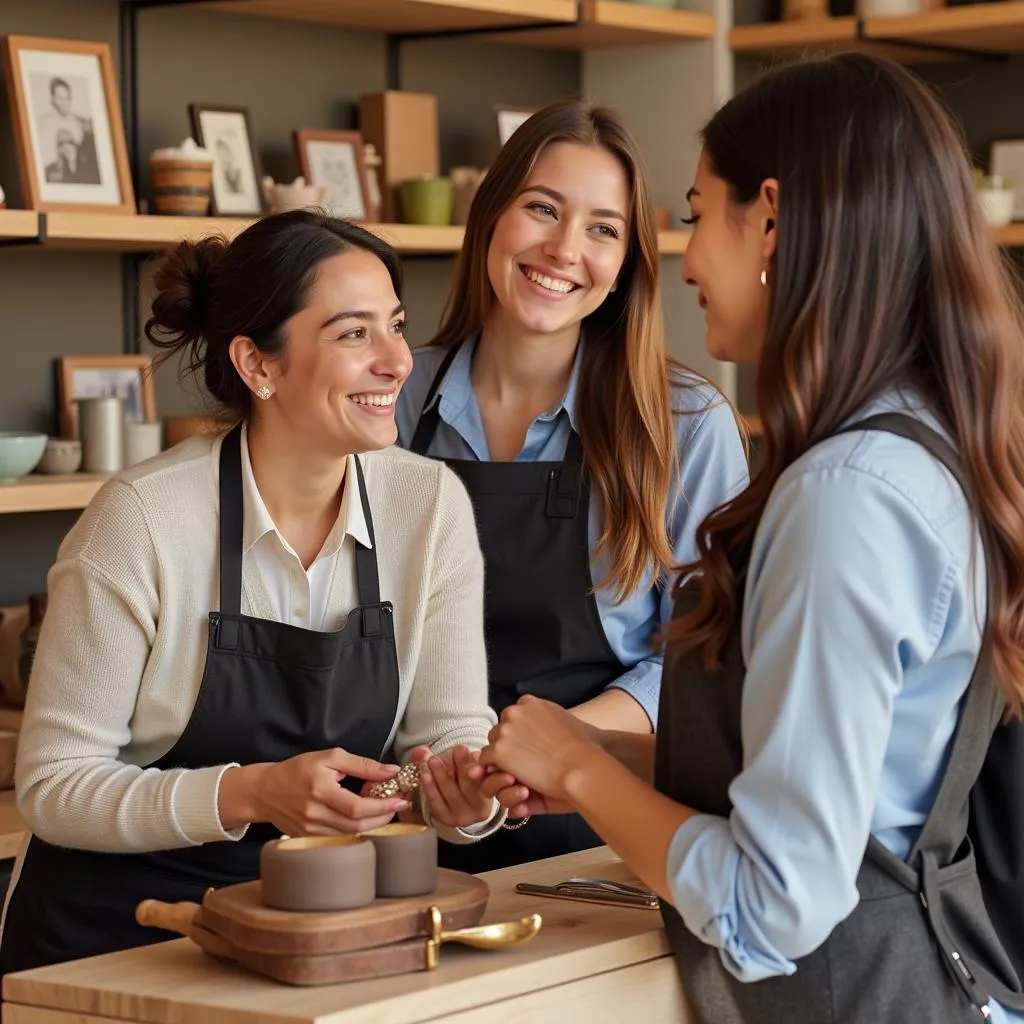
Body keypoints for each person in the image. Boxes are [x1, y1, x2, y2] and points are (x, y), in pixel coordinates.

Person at [478, 54, 1024, 1023]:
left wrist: (579, 766)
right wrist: (605, 780)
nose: (682, 259)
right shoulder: (922, 452)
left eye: (695, 213)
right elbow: (837, 783)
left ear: (769, 219)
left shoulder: (844, 500)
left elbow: (773, 902)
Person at [0, 211, 514, 976]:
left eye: (396, 326)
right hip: (111, 946)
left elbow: (446, 741)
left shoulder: (427, 506)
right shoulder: (143, 519)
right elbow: (54, 787)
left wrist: (465, 799)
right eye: (353, 334)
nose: (398, 361)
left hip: (308, 938)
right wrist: (249, 794)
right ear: (257, 365)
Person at [395, 97, 749, 873]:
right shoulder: (390, 398)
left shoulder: (686, 424)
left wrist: (548, 752)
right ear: (491, 216)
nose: (563, 250)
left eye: (602, 229)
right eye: (541, 209)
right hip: (406, 821)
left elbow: (701, 657)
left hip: (603, 833)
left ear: (626, 264)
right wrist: (457, 770)